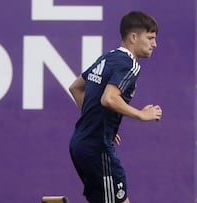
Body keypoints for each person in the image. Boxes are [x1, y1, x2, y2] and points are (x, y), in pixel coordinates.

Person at [68, 11, 162, 203]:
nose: (155, 44)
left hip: (80, 144)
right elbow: (109, 99)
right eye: (150, 38)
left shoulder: (108, 57)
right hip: (97, 147)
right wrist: (141, 115)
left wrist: (99, 122)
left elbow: (75, 88)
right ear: (134, 37)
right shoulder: (130, 65)